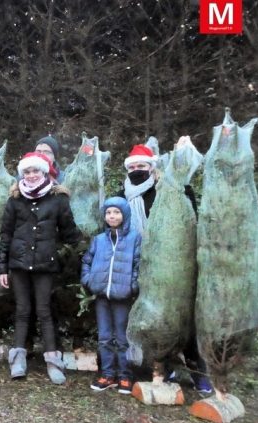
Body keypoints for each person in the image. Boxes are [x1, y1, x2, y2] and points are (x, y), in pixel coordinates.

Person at [115, 144, 212, 394]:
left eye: (142, 166)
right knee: (149, 318)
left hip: (170, 265)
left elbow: (190, 217)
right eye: (133, 167)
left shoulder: (168, 189)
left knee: (179, 316)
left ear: (152, 167)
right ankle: (160, 367)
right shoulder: (123, 194)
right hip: (137, 261)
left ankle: (197, 369)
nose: (137, 170)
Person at [0, 151, 81, 383]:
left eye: (35, 171)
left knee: (44, 311)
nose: (31, 175)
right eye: (27, 171)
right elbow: (6, 234)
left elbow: (70, 235)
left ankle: (53, 362)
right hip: (19, 264)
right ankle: (18, 360)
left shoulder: (58, 199)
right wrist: (2, 267)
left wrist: (60, 258)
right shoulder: (14, 199)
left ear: (44, 172)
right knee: (23, 310)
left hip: (45, 265)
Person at [81, 197, 142, 394]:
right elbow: (87, 261)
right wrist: (88, 280)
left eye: (116, 212)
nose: (112, 216)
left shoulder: (134, 238)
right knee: (105, 337)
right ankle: (107, 374)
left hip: (122, 296)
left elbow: (138, 263)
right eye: (108, 213)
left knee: (122, 338)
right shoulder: (99, 240)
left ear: (124, 214)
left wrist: (132, 286)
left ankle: (125, 375)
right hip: (101, 296)